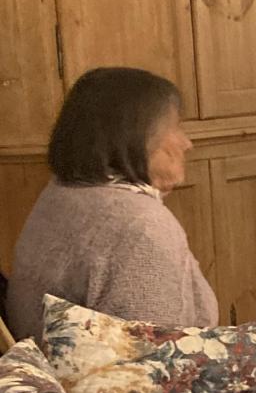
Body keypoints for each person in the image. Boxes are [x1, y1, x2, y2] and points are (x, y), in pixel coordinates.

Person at [7, 68, 218, 342]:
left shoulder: (62, 191)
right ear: (135, 137)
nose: (187, 143)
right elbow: (153, 357)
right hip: (103, 370)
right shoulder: (141, 227)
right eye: (175, 127)